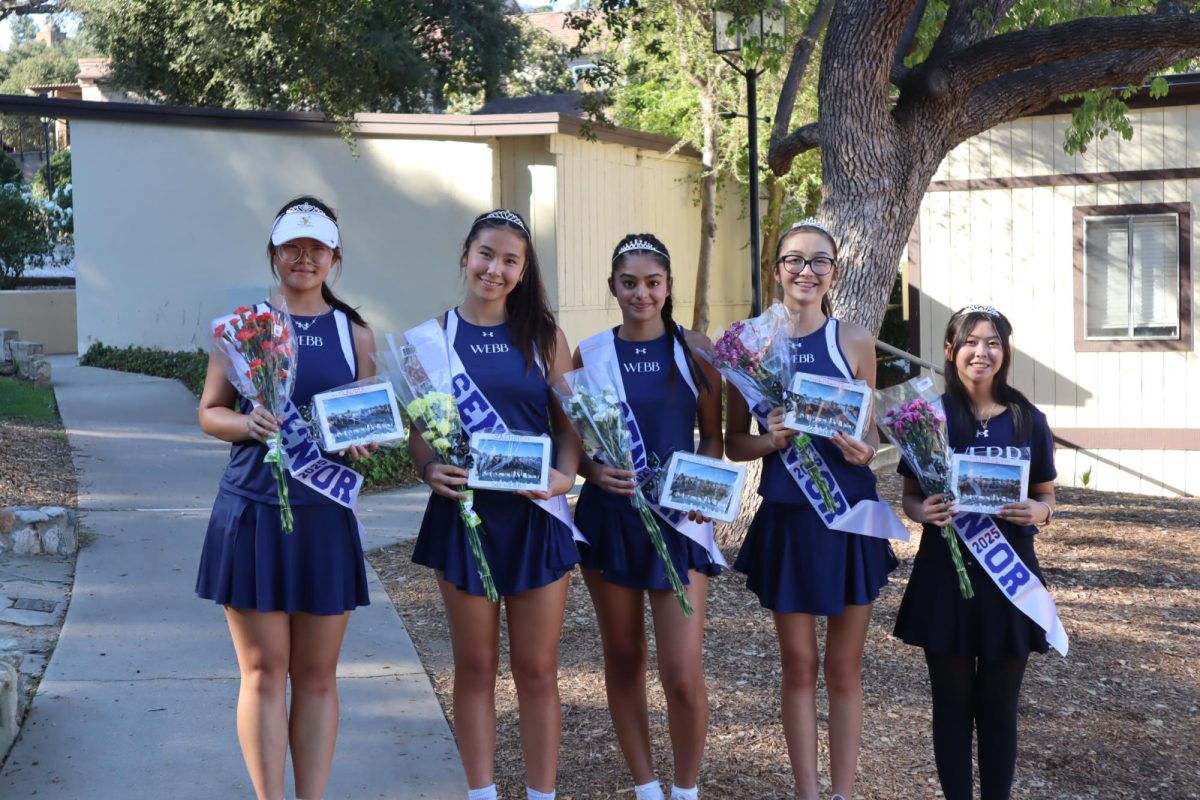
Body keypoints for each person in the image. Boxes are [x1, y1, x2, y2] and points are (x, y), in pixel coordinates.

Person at [196, 196, 376, 800]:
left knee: (319, 677)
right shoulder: (243, 328)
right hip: (253, 510)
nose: (304, 258)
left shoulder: (355, 334)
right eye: (292, 247)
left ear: (334, 256)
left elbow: (366, 421)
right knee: (264, 673)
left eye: (316, 248)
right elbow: (209, 412)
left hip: (325, 515)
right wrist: (247, 424)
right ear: (274, 253)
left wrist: (362, 444)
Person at [724, 218, 902, 800]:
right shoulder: (747, 344)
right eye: (794, 260)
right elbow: (733, 443)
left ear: (835, 273)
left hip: (848, 515)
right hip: (791, 516)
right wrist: (769, 438)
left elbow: (867, 435)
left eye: (819, 261)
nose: (806, 270)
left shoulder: (853, 341)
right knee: (798, 665)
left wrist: (863, 448)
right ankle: (807, 791)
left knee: (844, 669)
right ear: (776, 270)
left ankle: (843, 793)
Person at [408, 209, 580, 800]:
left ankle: (541, 794)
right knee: (476, 669)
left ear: (523, 269)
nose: (495, 269)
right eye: (487, 254)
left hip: (535, 517)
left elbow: (571, 426)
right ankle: (481, 792)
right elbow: (420, 431)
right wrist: (429, 466)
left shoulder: (545, 338)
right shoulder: (433, 338)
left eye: (510, 260)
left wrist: (564, 479)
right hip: (464, 517)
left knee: (536, 671)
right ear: (466, 254)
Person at [573, 234, 725, 800]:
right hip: (609, 519)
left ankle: (685, 788)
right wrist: (592, 471)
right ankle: (645, 785)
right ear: (613, 286)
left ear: (667, 287)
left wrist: (701, 491)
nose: (641, 293)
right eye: (629, 282)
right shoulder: (589, 354)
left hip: (680, 520)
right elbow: (576, 444)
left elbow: (712, 440)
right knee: (624, 658)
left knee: (682, 672)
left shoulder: (697, 349)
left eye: (652, 282)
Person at [893, 305, 1058, 800]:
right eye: (970, 342)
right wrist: (922, 513)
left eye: (992, 342)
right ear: (950, 351)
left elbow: (1048, 493)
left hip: (1010, 576)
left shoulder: (1030, 420)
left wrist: (1040, 512)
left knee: (1000, 706)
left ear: (1005, 352)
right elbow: (909, 495)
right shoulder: (927, 417)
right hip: (946, 575)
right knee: (951, 703)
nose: (981, 352)